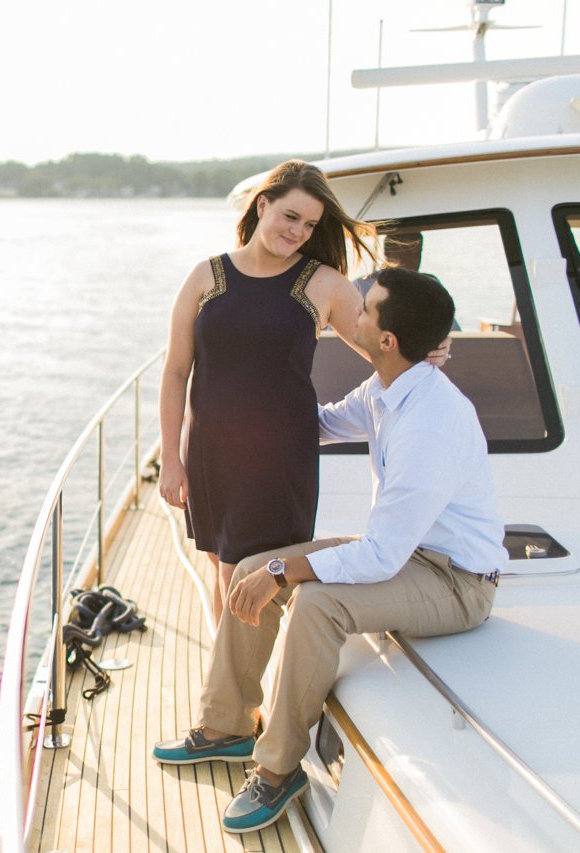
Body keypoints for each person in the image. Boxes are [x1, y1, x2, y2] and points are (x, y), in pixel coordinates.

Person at [153, 268, 506, 834]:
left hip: (456, 583)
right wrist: (234, 417)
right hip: (409, 553)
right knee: (250, 569)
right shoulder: (389, 387)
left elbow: (381, 557)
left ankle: (277, 768)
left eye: (364, 311)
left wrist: (284, 568)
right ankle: (226, 726)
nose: (350, 315)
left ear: (387, 340)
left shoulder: (431, 423)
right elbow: (318, 425)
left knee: (316, 603)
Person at [158, 160, 385, 623]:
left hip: (278, 454)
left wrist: (428, 346)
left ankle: (235, 687)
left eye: (310, 225)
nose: (299, 231)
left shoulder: (322, 284)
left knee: (248, 575)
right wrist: (170, 458)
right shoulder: (207, 275)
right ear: (263, 205)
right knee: (221, 566)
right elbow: (176, 371)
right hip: (210, 452)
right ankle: (234, 685)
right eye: (290, 217)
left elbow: (383, 349)